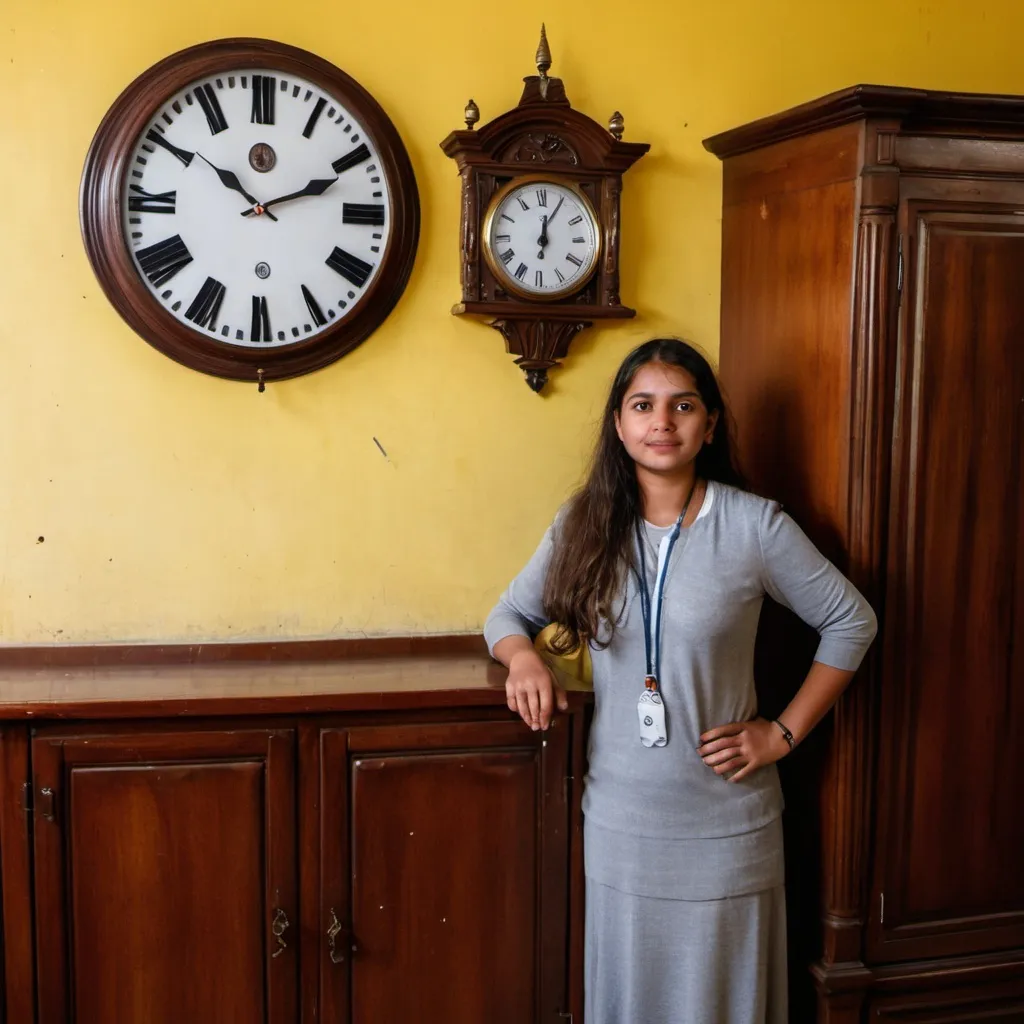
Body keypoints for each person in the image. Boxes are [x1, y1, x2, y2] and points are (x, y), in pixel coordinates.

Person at [484, 339, 877, 1024]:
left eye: (682, 405)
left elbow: (852, 621)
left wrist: (782, 734)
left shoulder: (756, 526)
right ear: (618, 424)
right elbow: (508, 614)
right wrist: (522, 658)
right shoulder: (584, 525)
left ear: (710, 424)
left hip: (730, 826)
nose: (661, 422)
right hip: (621, 825)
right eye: (643, 405)